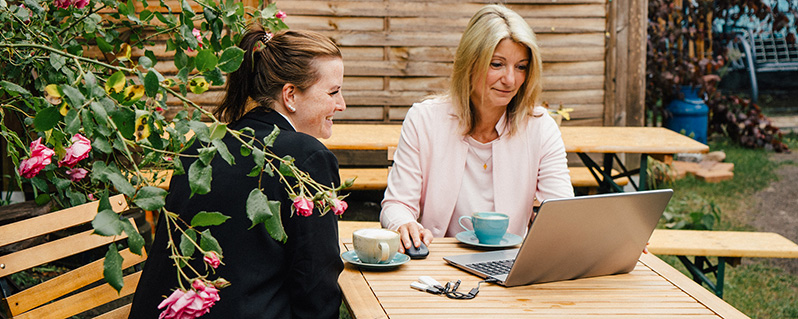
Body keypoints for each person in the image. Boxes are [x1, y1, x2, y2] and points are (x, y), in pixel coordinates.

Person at [128, 26, 346, 318]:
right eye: (333, 92)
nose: (341, 105)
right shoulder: (307, 157)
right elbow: (316, 282)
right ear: (290, 95)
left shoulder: (202, 144)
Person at [380, 5, 574, 253]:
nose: (510, 80)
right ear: (470, 63)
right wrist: (403, 223)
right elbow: (397, 204)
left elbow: (560, 210)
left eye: (521, 67)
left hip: (508, 264)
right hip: (437, 262)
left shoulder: (540, 126)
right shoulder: (424, 119)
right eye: (497, 64)